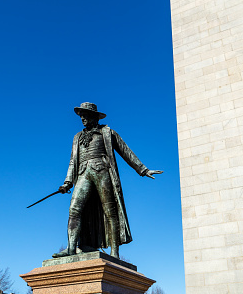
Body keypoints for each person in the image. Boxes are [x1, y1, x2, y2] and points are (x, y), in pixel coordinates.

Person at [53, 102, 163, 259]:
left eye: (86, 114)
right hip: (83, 173)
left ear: (95, 116)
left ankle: (115, 252)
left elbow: (125, 151)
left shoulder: (107, 132)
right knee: (74, 210)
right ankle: (71, 248)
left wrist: (142, 169)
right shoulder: (77, 137)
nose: (82, 118)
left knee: (110, 211)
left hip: (102, 172)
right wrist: (67, 182)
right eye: (81, 115)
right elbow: (73, 161)